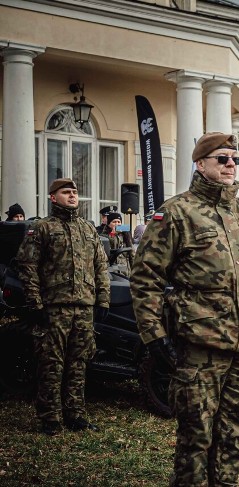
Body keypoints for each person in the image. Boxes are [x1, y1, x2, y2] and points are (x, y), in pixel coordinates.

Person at [131, 132, 239, 486]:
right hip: (200, 345)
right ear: (200, 164)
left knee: (234, 435)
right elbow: (145, 278)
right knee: (195, 436)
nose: (231, 165)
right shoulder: (176, 212)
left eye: (235, 159)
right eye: (222, 159)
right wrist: (154, 336)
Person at [15, 178, 110, 435]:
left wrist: (103, 298)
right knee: (51, 363)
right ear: (52, 197)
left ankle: (75, 414)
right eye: (66, 192)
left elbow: (101, 266)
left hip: (84, 307)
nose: (72, 196)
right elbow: (28, 266)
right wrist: (35, 302)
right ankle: (51, 418)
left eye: (75, 192)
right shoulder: (42, 228)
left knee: (79, 362)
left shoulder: (88, 229)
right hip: (54, 307)